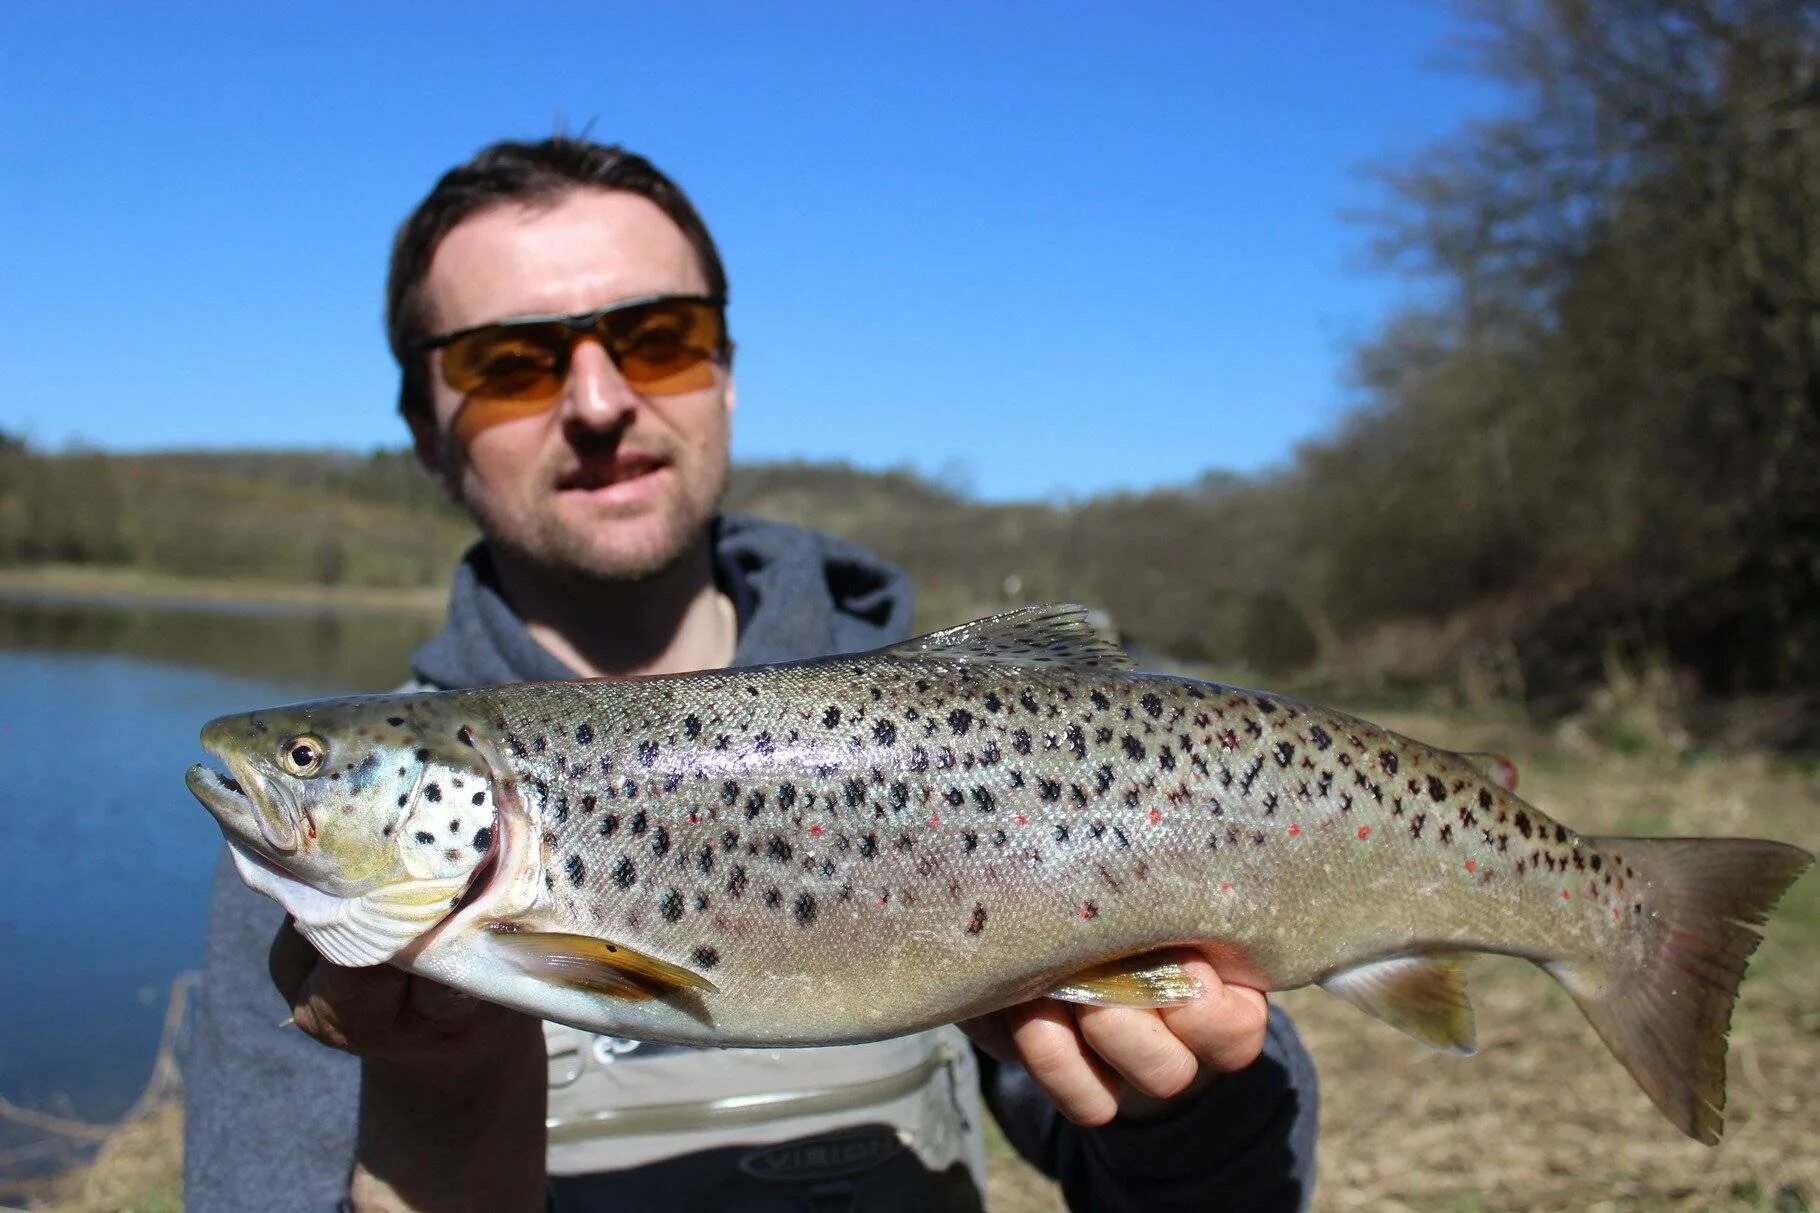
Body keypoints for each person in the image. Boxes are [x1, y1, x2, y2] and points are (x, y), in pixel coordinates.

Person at [185, 136, 1320, 1212]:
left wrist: (1186, 1108)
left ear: (724, 377)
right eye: (510, 363)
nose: (596, 402)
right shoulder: (308, 878)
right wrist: (436, 1095)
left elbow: (1228, 1188)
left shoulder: (985, 737)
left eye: (660, 335)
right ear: (428, 434)